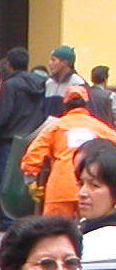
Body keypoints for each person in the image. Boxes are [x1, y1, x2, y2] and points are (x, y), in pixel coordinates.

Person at [20, 85, 116, 219]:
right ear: (86, 104)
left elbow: (33, 155)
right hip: (93, 188)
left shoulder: (55, 126)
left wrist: (31, 182)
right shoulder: (99, 127)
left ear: (64, 104)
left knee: (54, 229)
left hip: (60, 189)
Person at [0, 48, 50, 226]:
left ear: (9, 65)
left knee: (7, 180)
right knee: (28, 181)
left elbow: (3, 114)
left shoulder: (10, 85)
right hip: (34, 137)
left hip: (10, 139)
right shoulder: (42, 84)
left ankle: (8, 219)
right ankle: (27, 216)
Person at [76, 138, 116, 261]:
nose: (82, 193)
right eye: (81, 183)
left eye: (95, 185)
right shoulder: (84, 226)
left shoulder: (104, 241)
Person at [43, 44, 88, 116]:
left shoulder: (78, 83)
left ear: (64, 62)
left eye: (53, 60)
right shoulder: (49, 83)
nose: (49, 63)